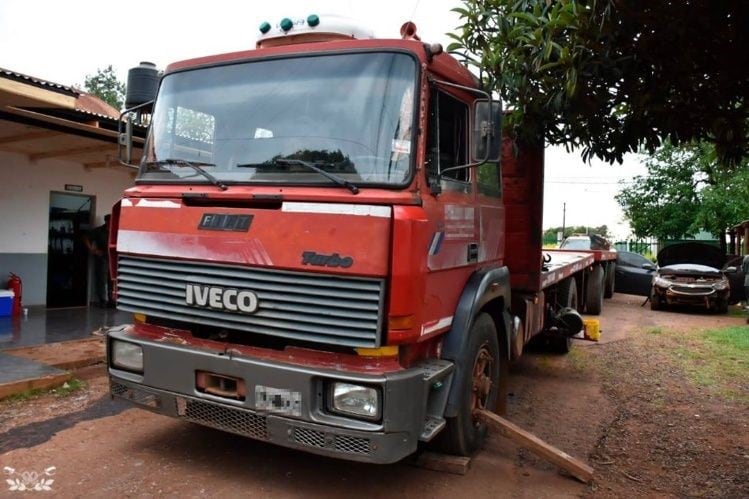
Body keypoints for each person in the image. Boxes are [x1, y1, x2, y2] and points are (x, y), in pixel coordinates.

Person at [85, 215, 111, 307]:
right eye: (110, 221)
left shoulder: (116, 230)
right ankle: (102, 300)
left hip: (113, 257)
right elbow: (86, 238)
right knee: (102, 279)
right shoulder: (99, 230)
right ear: (106, 221)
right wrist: (93, 250)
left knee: (112, 279)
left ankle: (111, 300)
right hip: (102, 257)